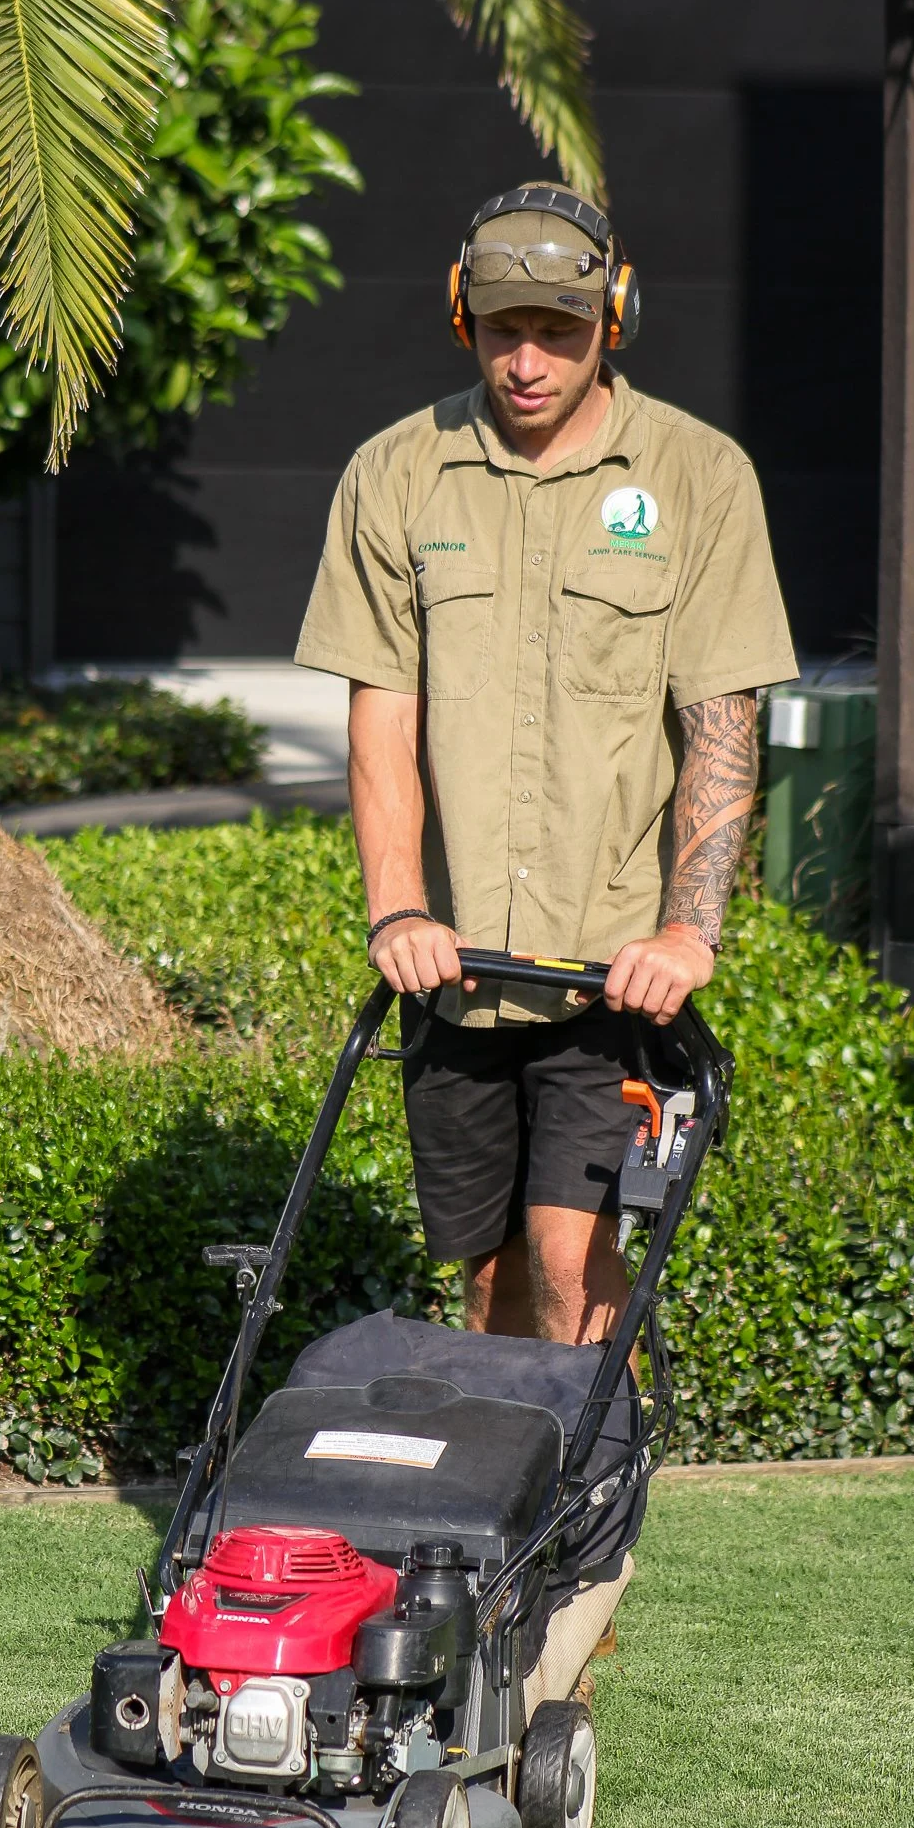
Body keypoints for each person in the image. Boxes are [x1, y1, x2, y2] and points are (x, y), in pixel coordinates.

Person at [295, 181, 796, 1349]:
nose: (528, 360)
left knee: (576, 1257)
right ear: (460, 312)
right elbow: (382, 715)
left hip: (608, 966)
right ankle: (502, 1520)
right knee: (490, 1276)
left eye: (558, 332)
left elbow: (721, 720)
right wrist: (397, 906)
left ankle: (585, 1519)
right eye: (505, 327)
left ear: (612, 316)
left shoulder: (698, 479)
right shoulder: (395, 475)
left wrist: (689, 932)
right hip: (455, 966)